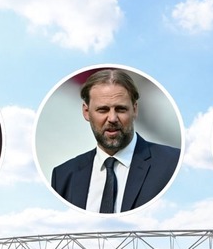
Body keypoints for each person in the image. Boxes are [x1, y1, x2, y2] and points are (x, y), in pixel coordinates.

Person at [51, 69, 180, 213]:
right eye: (103, 110)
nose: (112, 118)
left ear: (135, 109)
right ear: (86, 112)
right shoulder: (63, 176)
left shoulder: (172, 163)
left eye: (120, 109)